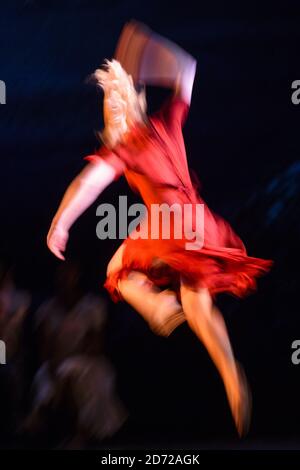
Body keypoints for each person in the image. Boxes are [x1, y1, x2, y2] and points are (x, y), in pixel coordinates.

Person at [47, 21, 272, 436]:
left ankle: (155, 307)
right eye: (107, 104)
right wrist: (145, 53)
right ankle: (230, 373)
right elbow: (187, 69)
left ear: (131, 107)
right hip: (197, 222)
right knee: (199, 306)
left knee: (119, 268)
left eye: (115, 102)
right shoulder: (165, 122)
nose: (110, 109)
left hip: (171, 227)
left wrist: (62, 222)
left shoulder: (128, 145)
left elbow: (88, 184)